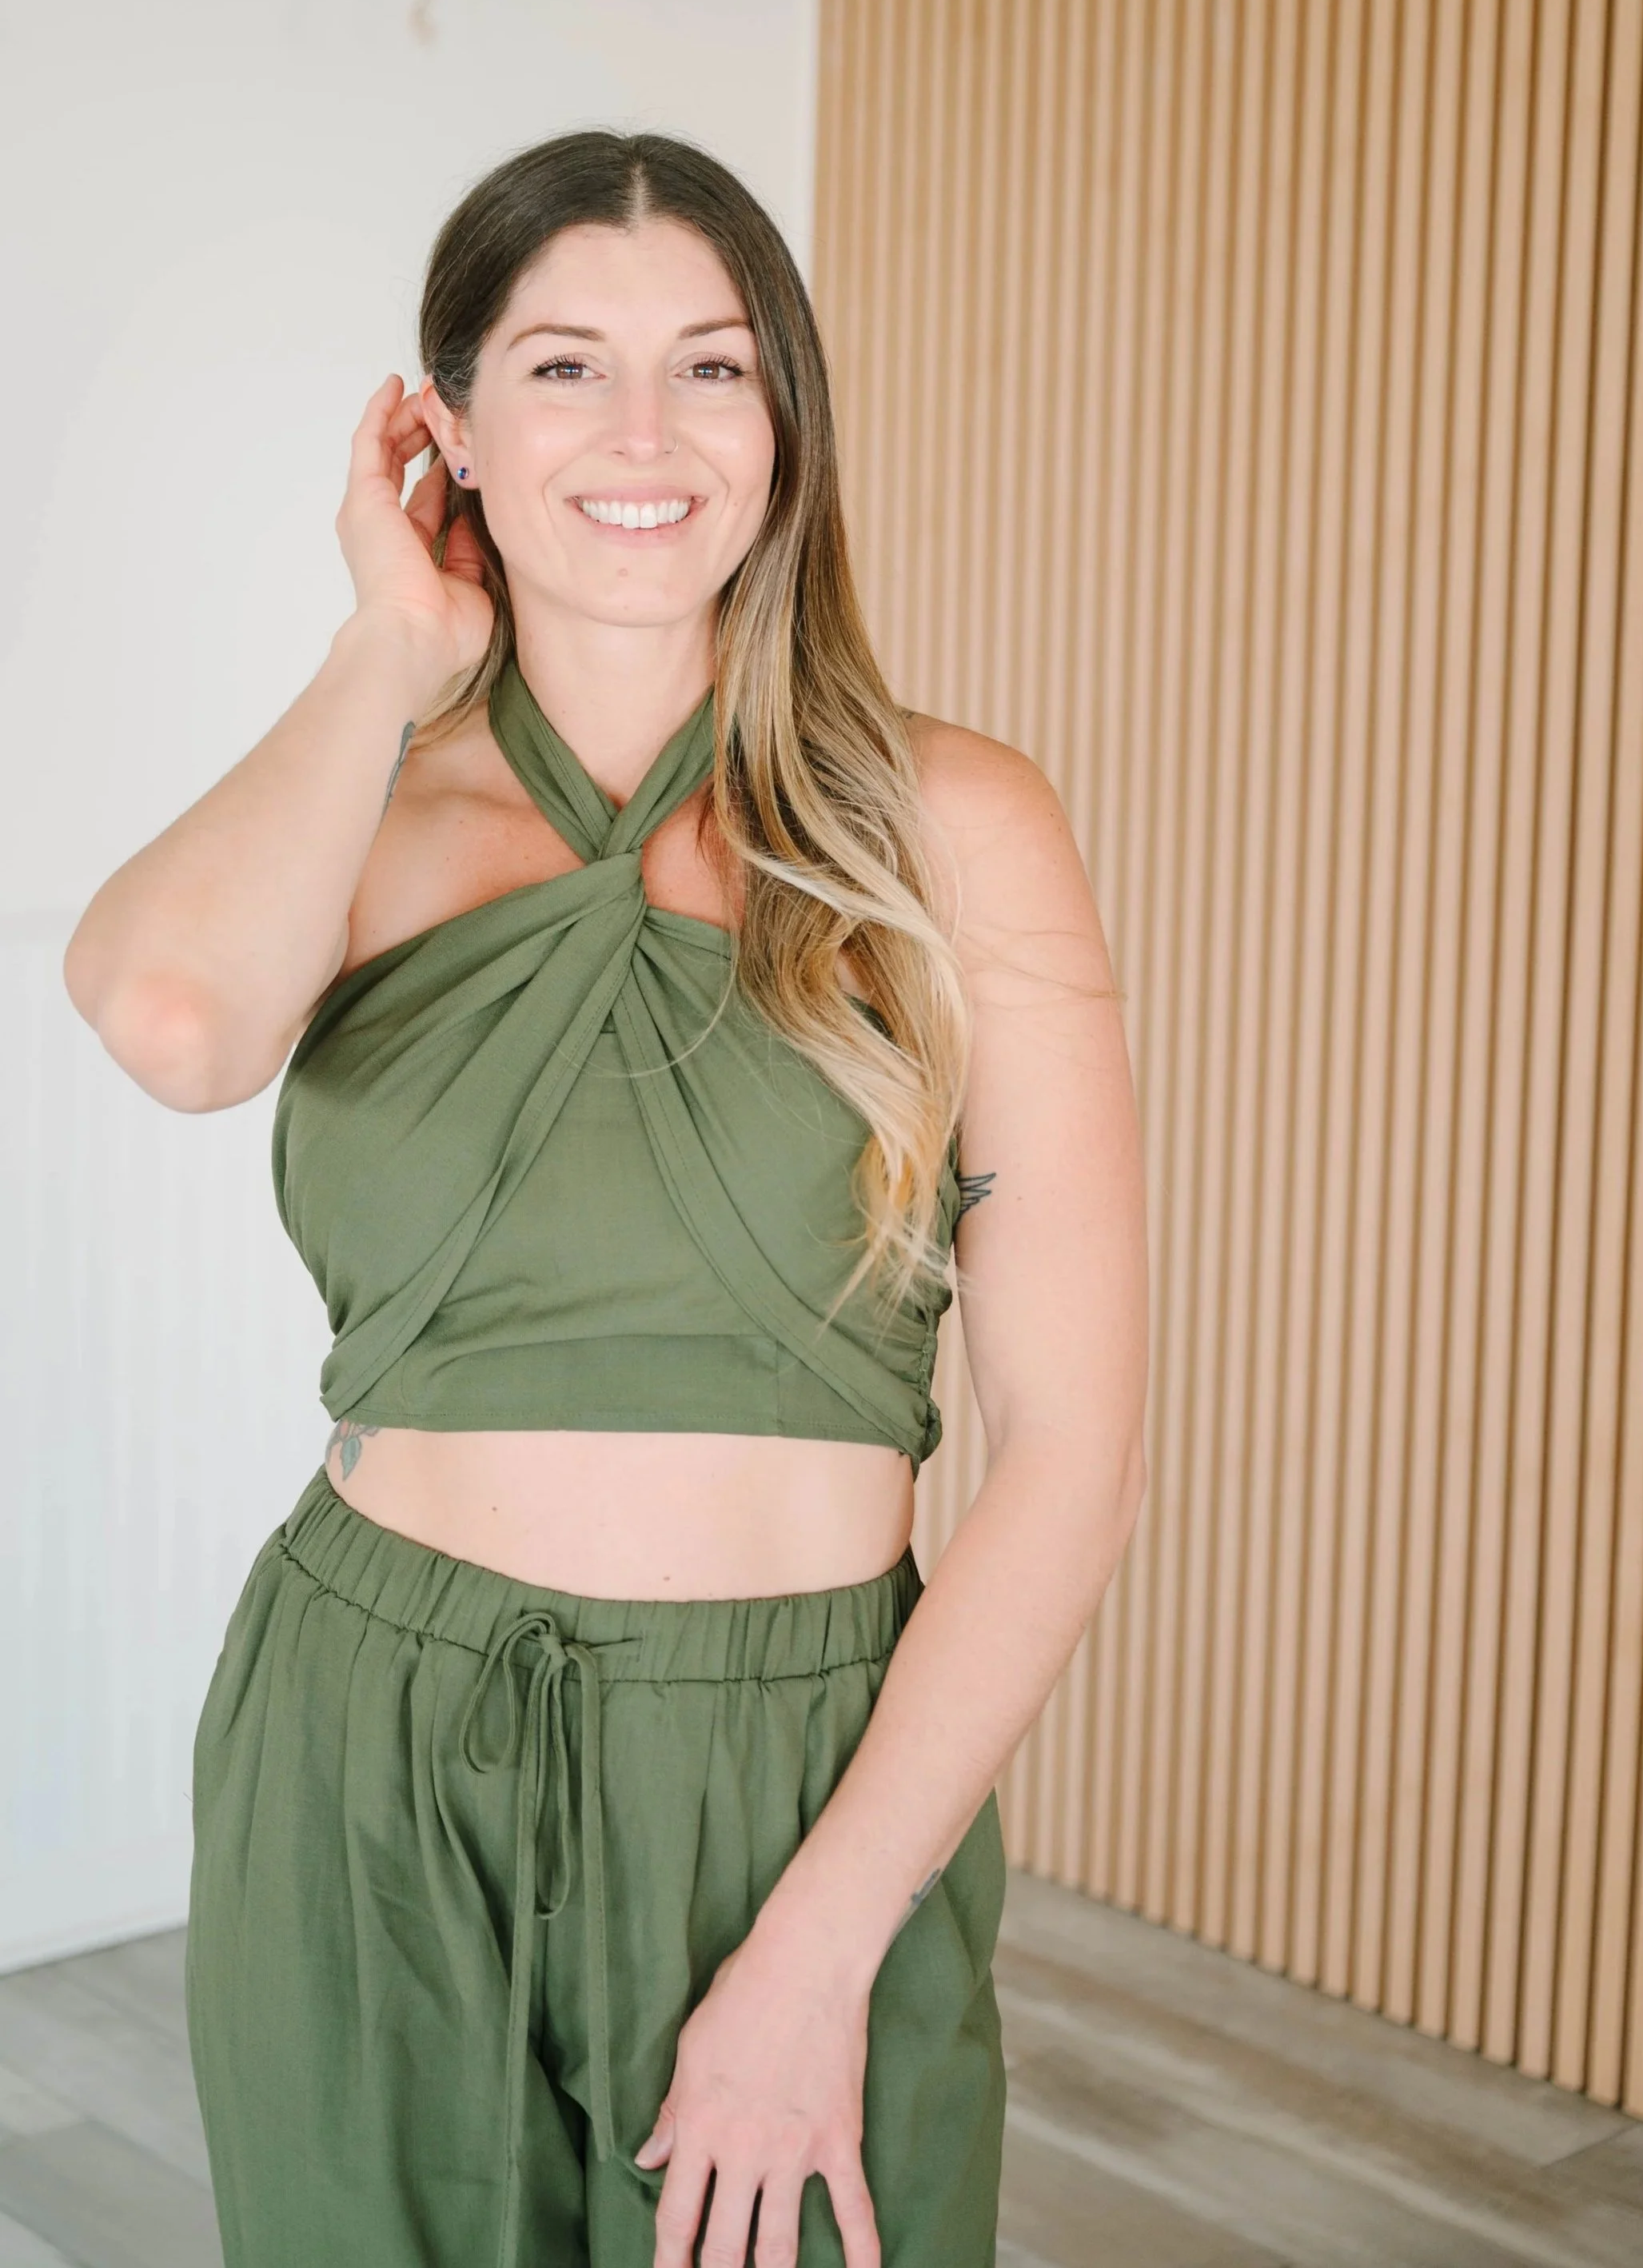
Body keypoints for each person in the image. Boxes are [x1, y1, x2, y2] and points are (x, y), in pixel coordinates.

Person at [63, 131, 1149, 2268]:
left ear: (783, 426)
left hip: (792, 1766)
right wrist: (385, 651)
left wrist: (820, 1949)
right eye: (563, 368)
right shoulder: (368, 806)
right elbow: (173, 1021)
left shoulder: (949, 823)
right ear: (442, 425)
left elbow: (1076, 1456)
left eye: (712, 370)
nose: (641, 434)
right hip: (367, 1738)